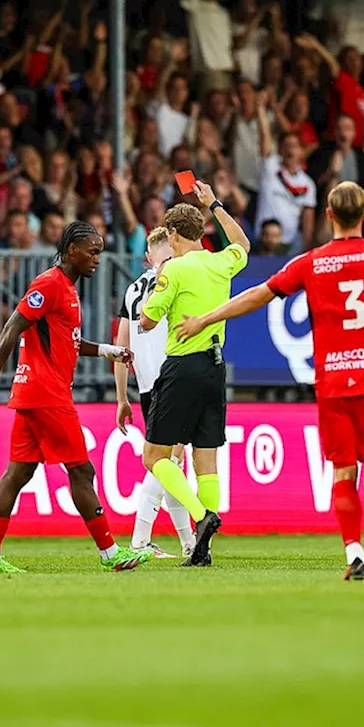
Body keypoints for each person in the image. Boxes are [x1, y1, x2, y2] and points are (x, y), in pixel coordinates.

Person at [178, 180, 364, 578]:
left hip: (333, 381)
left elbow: (258, 294)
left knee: (342, 472)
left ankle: (355, 553)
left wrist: (205, 318)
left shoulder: (311, 262)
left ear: (328, 215)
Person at [0, 222, 146, 574]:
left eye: (100, 251)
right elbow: (10, 328)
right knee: (82, 469)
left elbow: (70, 342)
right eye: (91, 251)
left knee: (17, 473)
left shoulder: (67, 289)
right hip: (46, 392)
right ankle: (110, 553)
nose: (97, 258)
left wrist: (111, 351)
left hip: (35, 392)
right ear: (70, 251)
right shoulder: (49, 284)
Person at [139, 182, 251, 567]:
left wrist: (157, 285)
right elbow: (244, 245)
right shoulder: (221, 262)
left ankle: (203, 518)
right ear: (201, 231)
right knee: (207, 459)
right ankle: (203, 551)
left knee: (154, 455)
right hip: (215, 368)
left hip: (183, 365)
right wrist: (215, 204)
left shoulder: (174, 269)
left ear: (171, 235)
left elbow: (148, 321)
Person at [115, 227, 196, 559]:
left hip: (147, 387)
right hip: (172, 380)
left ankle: (189, 543)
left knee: (169, 467)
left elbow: (121, 348)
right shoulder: (175, 279)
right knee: (169, 462)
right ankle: (139, 541)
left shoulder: (133, 290)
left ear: (148, 256)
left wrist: (122, 398)